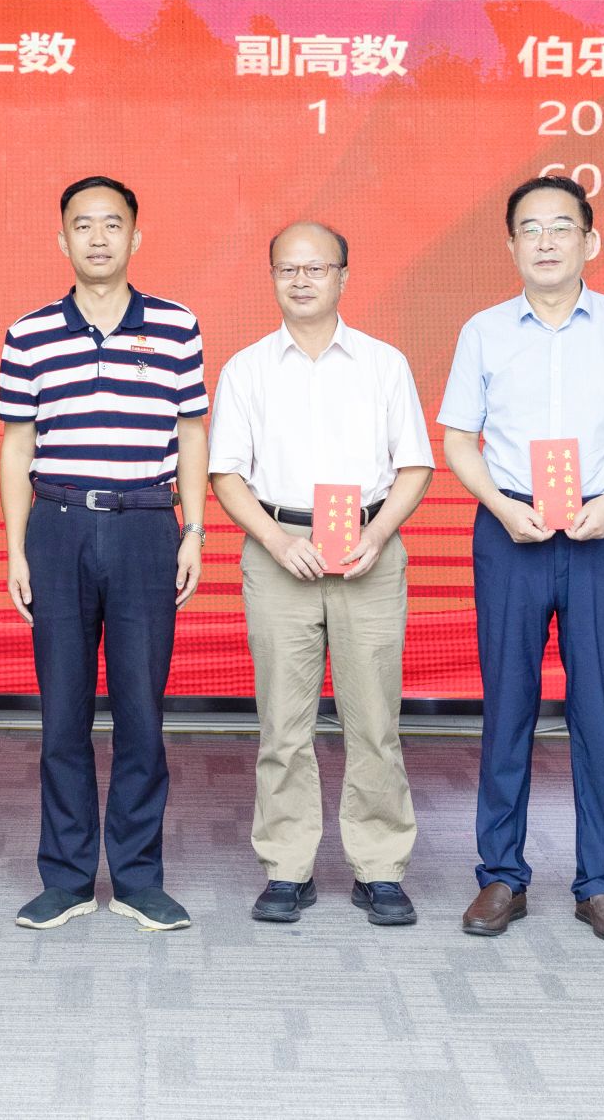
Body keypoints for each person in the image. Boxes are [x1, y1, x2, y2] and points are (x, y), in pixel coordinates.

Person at [439, 175, 604, 943]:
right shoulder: (483, 331)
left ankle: (602, 882)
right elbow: (458, 438)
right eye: (530, 229)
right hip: (511, 530)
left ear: (590, 240)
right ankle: (501, 875)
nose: (545, 242)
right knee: (506, 705)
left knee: (598, 710)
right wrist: (502, 506)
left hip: (599, 530)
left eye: (561, 227)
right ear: (511, 243)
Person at [210, 222, 434, 927]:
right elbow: (226, 474)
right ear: (273, 278)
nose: (301, 280)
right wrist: (278, 541)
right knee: (283, 724)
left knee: (375, 723)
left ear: (344, 275)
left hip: (369, 547)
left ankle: (380, 867)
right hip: (279, 547)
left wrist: (378, 533)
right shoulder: (247, 368)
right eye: (288, 269)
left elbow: (414, 465)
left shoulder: (383, 363)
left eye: (316, 268)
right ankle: (287, 866)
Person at [0, 175, 207, 934]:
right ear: (62, 239)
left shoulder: (177, 325)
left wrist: (194, 530)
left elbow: (191, 431)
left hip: (147, 524)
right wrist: (16, 548)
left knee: (141, 714)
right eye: (82, 225)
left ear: (135, 236)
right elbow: (17, 444)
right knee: (62, 715)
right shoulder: (28, 332)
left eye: (112, 224)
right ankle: (66, 877)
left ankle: (140, 877)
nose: (97, 237)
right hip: (56, 526)